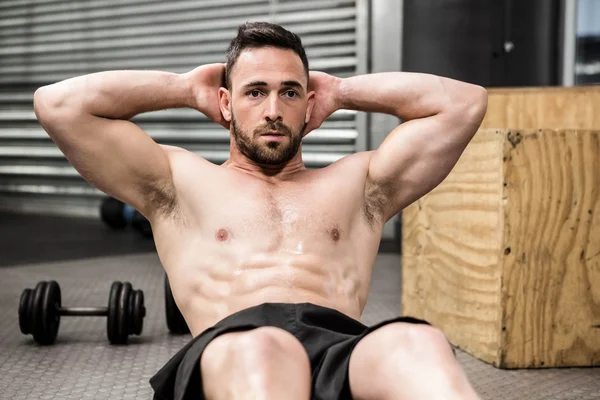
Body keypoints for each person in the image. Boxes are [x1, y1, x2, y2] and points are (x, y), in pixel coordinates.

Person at [33, 21, 487, 400]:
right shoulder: (176, 183)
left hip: (337, 350)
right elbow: (58, 105)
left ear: (310, 105)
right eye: (255, 92)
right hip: (235, 351)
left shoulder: (360, 185)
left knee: (418, 340)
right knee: (267, 350)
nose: (273, 110)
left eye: (290, 93)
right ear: (226, 103)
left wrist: (343, 91)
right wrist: (186, 88)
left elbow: (464, 103)